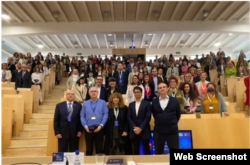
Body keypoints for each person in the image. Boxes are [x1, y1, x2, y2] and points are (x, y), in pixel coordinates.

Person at [152, 82, 181, 154]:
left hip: (172, 130)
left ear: (167, 89)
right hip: (159, 131)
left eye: (164, 87)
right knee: (158, 152)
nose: (162, 89)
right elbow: (154, 114)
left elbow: (178, 114)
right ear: (158, 90)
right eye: (160, 88)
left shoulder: (174, 100)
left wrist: (171, 122)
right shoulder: (154, 101)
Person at [80, 86, 109, 156]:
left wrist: (101, 125)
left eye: (95, 91)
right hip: (88, 129)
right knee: (89, 149)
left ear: (97, 93)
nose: (93, 93)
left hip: (99, 128)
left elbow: (105, 115)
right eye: (92, 91)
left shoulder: (103, 102)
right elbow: (82, 116)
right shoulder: (85, 103)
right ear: (89, 93)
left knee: (99, 149)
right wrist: (85, 126)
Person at [127, 86, 151, 155]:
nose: (136, 94)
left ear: (141, 93)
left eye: (138, 92)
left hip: (144, 130)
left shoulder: (147, 104)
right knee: (135, 150)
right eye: (135, 92)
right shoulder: (131, 104)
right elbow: (129, 117)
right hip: (134, 131)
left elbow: (148, 117)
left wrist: (140, 128)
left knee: (146, 149)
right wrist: (134, 127)